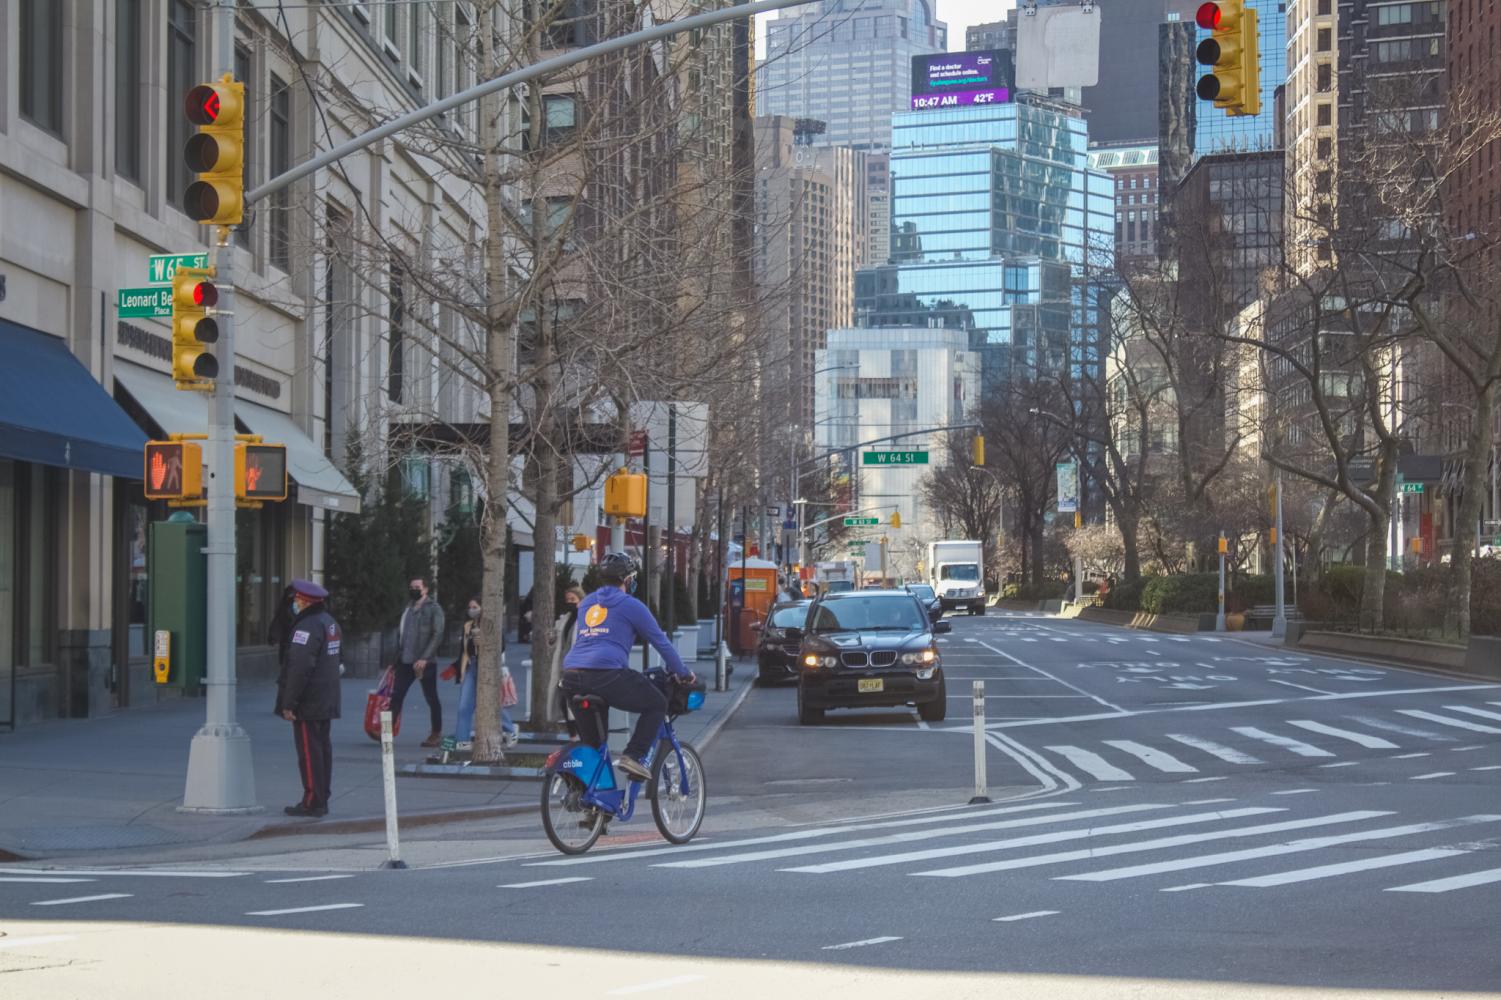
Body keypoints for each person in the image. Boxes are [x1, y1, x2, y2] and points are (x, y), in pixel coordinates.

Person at [560, 554, 693, 781]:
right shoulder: (632, 605)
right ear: (628, 579)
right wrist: (683, 672)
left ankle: (592, 806)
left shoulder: (588, 602)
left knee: (593, 746)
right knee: (657, 703)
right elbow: (660, 641)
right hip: (607, 674)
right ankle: (633, 755)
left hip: (571, 677)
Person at [275, 579, 342, 817]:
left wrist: (289, 702)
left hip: (309, 700)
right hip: (325, 697)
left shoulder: (307, 627)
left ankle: (313, 800)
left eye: (295, 600)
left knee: (309, 751)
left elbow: (299, 668)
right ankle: (321, 796)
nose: (293, 604)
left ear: (303, 601)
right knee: (322, 749)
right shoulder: (329, 622)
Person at [450, 596, 519, 752]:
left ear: (482, 608)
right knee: (464, 706)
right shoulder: (468, 626)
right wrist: (456, 668)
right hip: (471, 667)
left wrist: (481, 641)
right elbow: (465, 650)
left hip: (487, 668)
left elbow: (500, 647)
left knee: (490, 702)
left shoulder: (490, 625)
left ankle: (510, 731)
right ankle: (462, 741)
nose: (472, 610)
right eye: (470, 607)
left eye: (475, 607)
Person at [388, 575, 446, 747]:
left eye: (417, 587)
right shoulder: (407, 608)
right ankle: (386, 732)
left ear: (426, 589)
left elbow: (438, 634)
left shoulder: (434, 608)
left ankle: (436, 733)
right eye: (411, 587)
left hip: (424, 663)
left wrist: (425, 658)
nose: (413, 590)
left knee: (431, 697)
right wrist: (395, 660)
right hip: (405, 661)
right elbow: (401, 635)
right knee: (396, 695)